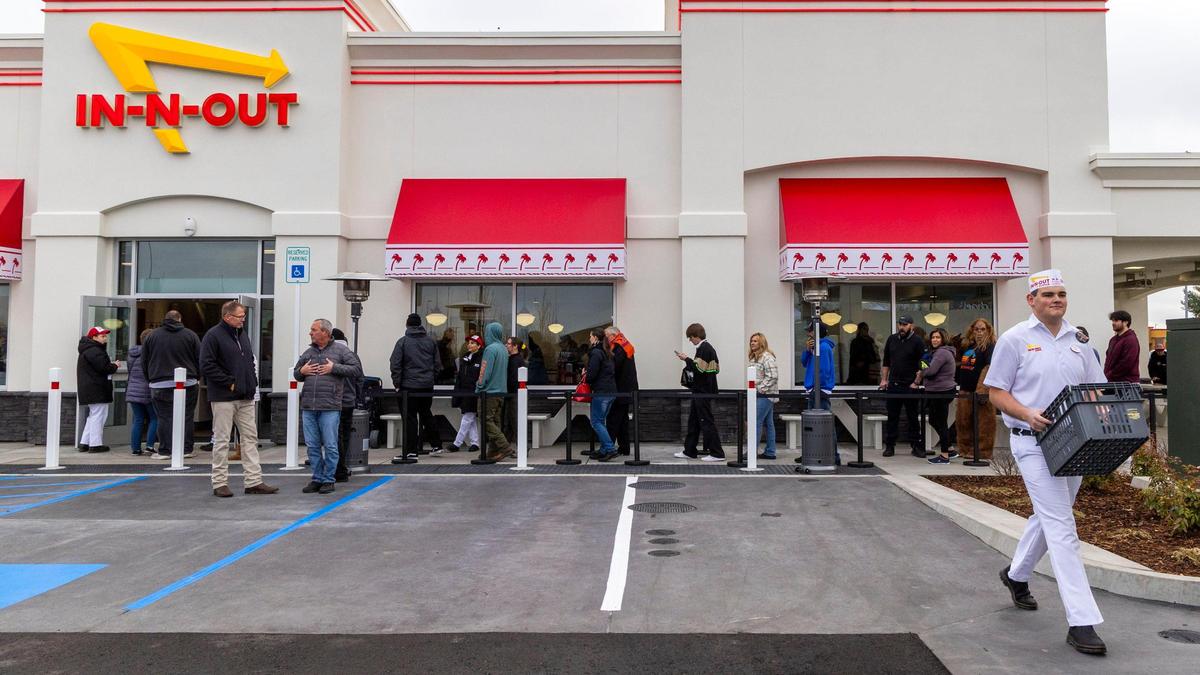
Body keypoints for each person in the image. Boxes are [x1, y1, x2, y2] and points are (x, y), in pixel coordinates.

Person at [986, 269, 1109, 656]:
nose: (1057, 299)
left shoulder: (1079, 341)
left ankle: (1016, 575)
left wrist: (1104, 410)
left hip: (1074, 443)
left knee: (1050, 514)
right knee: (1061, 525)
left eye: (1061, 294)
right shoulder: (1014, 340)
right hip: (1032, 443)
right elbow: (995, 393)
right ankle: (1082, 620)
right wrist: (1025, 413)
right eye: (1048, 294)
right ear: (1031, 300)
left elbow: (1096, 388)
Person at [200, 300, 278, 498]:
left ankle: (254, 481)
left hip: (245, 395)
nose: (243, 319)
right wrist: (230, 383)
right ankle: (219, 482)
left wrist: (251, 382)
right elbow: (207, 365)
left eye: (243, 316)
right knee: (222, 439)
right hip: (224, 396)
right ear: (227, 317)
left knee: (250, 438)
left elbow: (249, 360)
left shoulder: (242, 335)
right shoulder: (213, 336)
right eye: (240, 316)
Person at [294, 319, 361, 494]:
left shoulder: (341, 351)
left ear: (325, 332)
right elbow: (296, 373)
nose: (310, 332)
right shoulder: (308, 352)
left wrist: (334, 368)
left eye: (314, 329)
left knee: (331, 444)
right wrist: (302, 372)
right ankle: (317, 478)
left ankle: (329, 479)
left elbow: (356, 370)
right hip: (309, 406)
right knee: (312, 445)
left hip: (330, 406)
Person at [143, 309, 201, 460]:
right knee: (187, 416)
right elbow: (199, 358)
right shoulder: (191, 335)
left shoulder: (152, 336)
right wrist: (198, 376)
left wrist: (150, 378)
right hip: (188, 382)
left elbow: (144, 361)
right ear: (180, 319)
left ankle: (165, 450)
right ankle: (186, 449)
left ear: (164, 319)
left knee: (164, 417)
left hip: (159, 383)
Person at [389, 313, 442, 463]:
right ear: (420, 325)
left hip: (408, 387)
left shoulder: (403, 342)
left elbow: (395, 364)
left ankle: (411, 451)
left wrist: (397, 384)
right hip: (426, 386)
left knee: (410, 418)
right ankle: (436, 445)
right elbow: (437, 365)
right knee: (426, 413)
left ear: (407, 325)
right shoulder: (431, 342)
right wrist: (431, 380)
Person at [675, 323, 725, 461]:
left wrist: (686, 359)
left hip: (702, 391)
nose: (690, 341)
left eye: (690, 338)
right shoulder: (708, 348)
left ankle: (717, 453)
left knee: (706, 421)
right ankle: (689, 450)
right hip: (703, 391)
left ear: (695, 336)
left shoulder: (704, 348)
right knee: (694, 421)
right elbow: (715, 369)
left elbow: (699, 369)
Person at [880, 315, 924, 457]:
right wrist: (884, 380)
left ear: (911, 325)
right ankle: (890, 446)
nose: (902, 327)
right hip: (894, 384)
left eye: (905, 324)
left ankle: (916, 445)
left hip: (910, 386)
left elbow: (923, 363)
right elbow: (886, 361)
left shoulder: (917, 341)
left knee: (912, 417)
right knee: (892, 416)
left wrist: (916, 382)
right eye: (900, 324)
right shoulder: (892, 339)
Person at [954, 318, 997, 460]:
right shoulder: (968, 346)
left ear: (988, 330)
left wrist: (983, 390)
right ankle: (964, 449)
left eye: (982, 329)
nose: (979, 332)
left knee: (984, 423)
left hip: (981, 391)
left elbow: (989, 368)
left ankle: (983, 451)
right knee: (963, 421)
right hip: (965, 389)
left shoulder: (990, 346)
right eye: (977, 329)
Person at [76, 327, 120, 453]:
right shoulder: (95, 351)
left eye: (105, 336)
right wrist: (115, 365)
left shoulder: (88, 350)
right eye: (102, 336)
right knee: (99, 416)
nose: (105, 338)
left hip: (90, 388)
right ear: (94, 337)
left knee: (93, 415)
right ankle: (95, 444)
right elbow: (104, 368)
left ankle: (84, 443)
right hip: (97, 388)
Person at [919, 328, 958, 464]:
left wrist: (922, 367)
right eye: (933, 337)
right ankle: (950, 449)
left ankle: (944, 456)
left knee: (940, 422)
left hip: (942, 391)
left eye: (938, 337)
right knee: (934, 420)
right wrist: (924, 366)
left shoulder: (942, 352)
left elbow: (930, 371)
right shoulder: (937, 352)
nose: (934, 340)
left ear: (943, 339)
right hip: (936, 390)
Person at [331, 328, 363, 480]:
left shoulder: (327, 355)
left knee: (333, 436)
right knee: (344, 436)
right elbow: (359, 379)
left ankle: (337, 468)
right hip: (348, 401)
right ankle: (341, 468)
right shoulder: (352, 355)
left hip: (331, 402)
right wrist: (358, 397)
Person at [477, 321, 512, 461]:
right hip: (501, 392)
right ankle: (492, 451)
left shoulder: (490, 349)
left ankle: (505, 447)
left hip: (489, 391)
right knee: (495, 422)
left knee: (485, 420)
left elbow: (484, 371)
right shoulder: (504, 349)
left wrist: (479, 385)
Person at [584, 328, 619, 461]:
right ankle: (604, 450)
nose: (589, 339)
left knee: (596, 422)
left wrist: (585, 376)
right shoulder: (607, 352)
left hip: (601, 391)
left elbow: (592, 374)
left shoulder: (596, 353)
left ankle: (610, 448)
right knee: (601, 421)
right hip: (611, 391)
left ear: (596, 338)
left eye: (590, 336)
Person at [605, 326, 639, 456]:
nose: (606, 339)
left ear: (614, 335)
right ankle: (624, 448)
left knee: (613, 419)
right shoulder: (625, 345)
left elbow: (614, 366)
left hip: (620, 389)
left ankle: (608, 448)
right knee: (622, 420)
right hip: (627, 389)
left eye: (607, 336)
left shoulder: (619, 347)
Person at [449, 335, 483, 453]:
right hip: (463, 391)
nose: (470, 345)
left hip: (474, 392)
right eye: (469, 343)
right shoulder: (464, 358)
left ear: (479, 345)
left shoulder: (481, 358)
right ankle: (475, 442)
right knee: (470, 418)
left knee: (467, 417)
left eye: (473, 343)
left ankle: (457, 443)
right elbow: (459, 377)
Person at [748, 332, 778, 460]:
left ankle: (751, 452)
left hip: (765, 395)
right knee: (768, 423)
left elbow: (773, 375)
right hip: (759, 394)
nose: (752, 343)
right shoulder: (754, 357)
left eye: (755, 341)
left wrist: (761, 389)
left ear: (761, 342)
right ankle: (770, 452)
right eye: (751, 341)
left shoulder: (767, 357)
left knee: (755, 421)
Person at [126, 328, 156, 456]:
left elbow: (129, 370)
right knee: (155, 418)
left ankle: (136, 449)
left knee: (138, 419)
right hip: (148, 390)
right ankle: (149, 446)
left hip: (133, 390)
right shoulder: (152, 354)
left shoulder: (132, 354)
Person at [800, 324, 835, 411]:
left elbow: (823, 370)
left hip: (819, 390)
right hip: (815, 390)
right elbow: (804, 363)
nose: (808, 334)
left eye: (810, 331)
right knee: (815, 422)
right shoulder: (816, 347)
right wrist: (808, 350)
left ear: (816, 333)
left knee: (821, 422)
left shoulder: (823, 347)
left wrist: (817, 388)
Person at [1103, 310, 1140, 383]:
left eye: (1116, 320)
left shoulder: (1131, 340)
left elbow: (1126, 363)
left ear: (1126, 322)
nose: (1113, 323)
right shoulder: (1113, 340)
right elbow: (1108, 360)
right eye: (1112, 321)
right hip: (1112, 382)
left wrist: (1109, 375)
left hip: (1127, 384)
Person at [503, 336, 527, 442]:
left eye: (508, 344)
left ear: (515, 346)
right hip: (511, 394)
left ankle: (522, 447)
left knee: (514, 422)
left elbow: (513, 379)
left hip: (514, 395)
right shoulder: (512, 359)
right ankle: (505, 447)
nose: (506, 345)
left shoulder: (517, 360)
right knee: (509, 422)